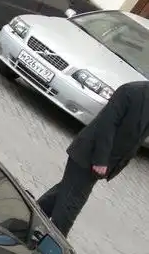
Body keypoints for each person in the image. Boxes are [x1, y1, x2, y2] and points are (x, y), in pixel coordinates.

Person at [38, 81, 149, 236]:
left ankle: (25, 218)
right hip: (89, 156)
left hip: (106, 161)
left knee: (64, 192)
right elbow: (107, 125)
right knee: (71, 204)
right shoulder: (130, 91)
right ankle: (56, 245)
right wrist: (101, 160)